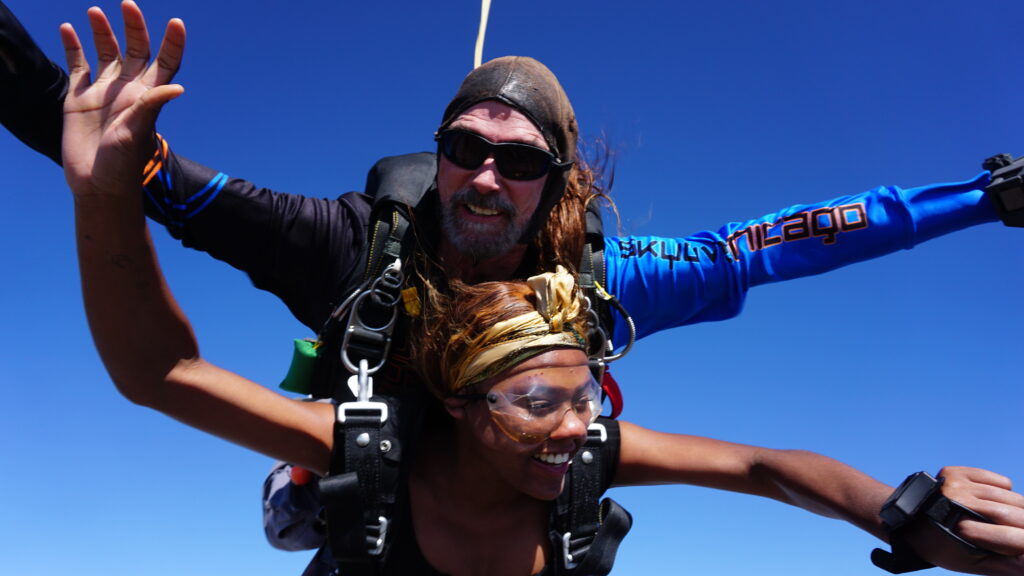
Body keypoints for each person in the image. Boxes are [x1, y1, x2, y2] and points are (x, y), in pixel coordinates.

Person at [10, 1, 1024, 569]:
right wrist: (95, 160)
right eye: (464, 146)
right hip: (378, 454)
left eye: (520, 161)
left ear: (557, 185)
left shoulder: (605, 289)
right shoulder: (348, 248)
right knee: (336, 498)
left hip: (520, 476)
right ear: (437, 153)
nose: (487, 175)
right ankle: (310, 493)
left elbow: (772, 246)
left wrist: (979, 200)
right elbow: (160, 199)